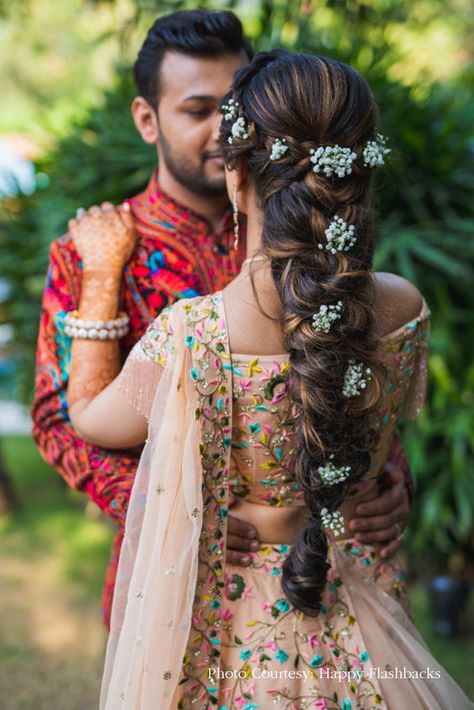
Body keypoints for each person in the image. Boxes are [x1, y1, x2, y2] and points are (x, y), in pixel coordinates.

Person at [64, 49, 473, 709]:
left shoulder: (193, 334)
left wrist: (100, 283)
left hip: (235, 632)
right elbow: (371, 435)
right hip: (364, 616)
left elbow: (86, 418)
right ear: (355, 171)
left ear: (236, 174)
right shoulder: (403, 308)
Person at [32, 10, 412, 632]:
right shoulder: (96, 250)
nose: (224, 129)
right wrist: (172, 512)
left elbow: (355, 359)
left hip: (326, 570)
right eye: (197, 109)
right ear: (146, 119)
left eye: (235, 108)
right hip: (169, 573)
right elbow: (55, 418)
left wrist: (388, 477)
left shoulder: (312, 231)